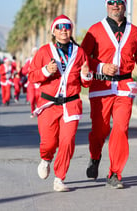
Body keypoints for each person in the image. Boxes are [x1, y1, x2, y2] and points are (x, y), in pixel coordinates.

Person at [81, 0, 137, 189]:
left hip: (124, 87)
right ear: (106, 6)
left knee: (121, 129)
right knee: (99, 130)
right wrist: (101, 67)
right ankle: (95, 157)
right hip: (100, 87)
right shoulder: (95, 30)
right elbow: (82, 57)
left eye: (119, 3)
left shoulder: (134, 31)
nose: (115, 6)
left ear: (124, 7)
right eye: (111, 3)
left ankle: (115, 173)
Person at [28, 15, 92, 192]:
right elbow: (32, 76)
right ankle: (46, 159)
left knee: (67, 141)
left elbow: (86, 83)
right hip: (49, 104)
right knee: (48, 142)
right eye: (60, 27)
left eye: (67, 27)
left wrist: (86, 75)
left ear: (71, 30)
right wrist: (46, 71)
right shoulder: (44, 51)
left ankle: (59, 178)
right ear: (53, 31)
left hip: (71, 104)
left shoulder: (80, 53)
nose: (64, 30)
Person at [22, 47, 40, 117]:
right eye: (34, 52)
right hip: (31, 83)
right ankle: (32, 111)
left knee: (39, 98)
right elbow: (23, 71)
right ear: (32, 53)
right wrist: (29, 70)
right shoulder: (29, 61)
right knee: (32, 99)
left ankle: (38, 111)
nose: (35, 53)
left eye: (36, 51)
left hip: (39, 83)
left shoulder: (41, 59)